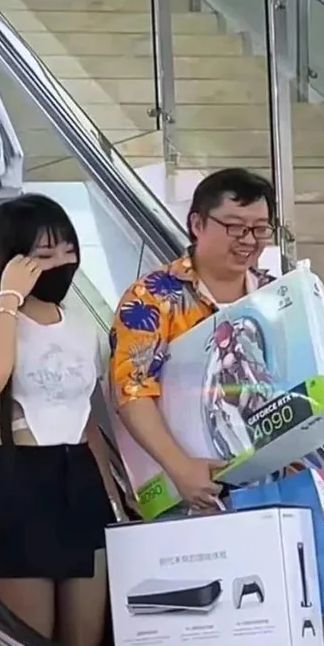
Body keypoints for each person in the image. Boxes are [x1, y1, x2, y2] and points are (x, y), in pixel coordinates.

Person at [0, 195, 122, 646]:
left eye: (68, 249)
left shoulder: (83, 327)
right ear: (10, 260)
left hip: (82, 481)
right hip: (23, 482)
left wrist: (113, 500)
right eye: (44, 254)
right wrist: (9, 299)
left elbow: (87, 421)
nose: (61, 262)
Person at [109, 168, 277, 512]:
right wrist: (181, 468)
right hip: (184, 490)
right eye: (235, 227)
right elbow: (132, 391)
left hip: (267, 486)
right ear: (197, 224)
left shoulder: (275, 295)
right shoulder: (152, 297)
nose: (248, 240)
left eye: (260, 228)